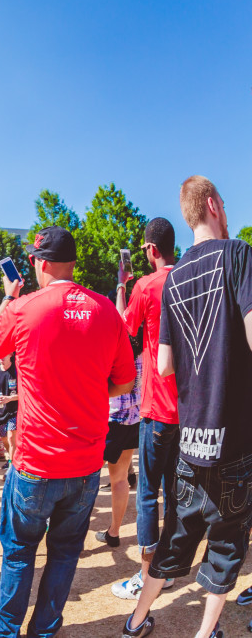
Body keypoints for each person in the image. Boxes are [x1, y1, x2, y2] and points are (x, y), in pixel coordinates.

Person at [0, 226, 135, 638]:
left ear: (36, 262)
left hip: (36, 460)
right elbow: (124, 382)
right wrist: (91, 389)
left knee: (19, 552)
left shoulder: (23, 307)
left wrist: (7, 296)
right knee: (64, 553)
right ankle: (44, 629)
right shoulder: (106, 310)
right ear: (74, 263)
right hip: (85, 463)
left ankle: (5, 630)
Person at [124, 177, 252, 638]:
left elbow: (163, 365)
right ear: (213, 205)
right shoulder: (237, 255)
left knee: (176, 537)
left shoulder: (173, 279)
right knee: (226, 546)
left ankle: (136, 620)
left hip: (190, 437)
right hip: (234, 437)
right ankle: (203, 633)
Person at [109, 217, 180, 600]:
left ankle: (149, 575)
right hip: (189, 406)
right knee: (174, 492)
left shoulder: (147, 285)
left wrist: (122, 283)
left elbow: (125, 327)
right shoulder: (191, 278)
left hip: (156, 404)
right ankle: (167, 569)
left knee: (148, 493)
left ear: (151, 250)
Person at [96, 356, 142, 548]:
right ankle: (114, 533)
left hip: (108, 417)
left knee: (86, 478)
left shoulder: (112, 347)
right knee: (121, 479)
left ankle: (74, 536)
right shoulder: (142, 348)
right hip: (133, 417)